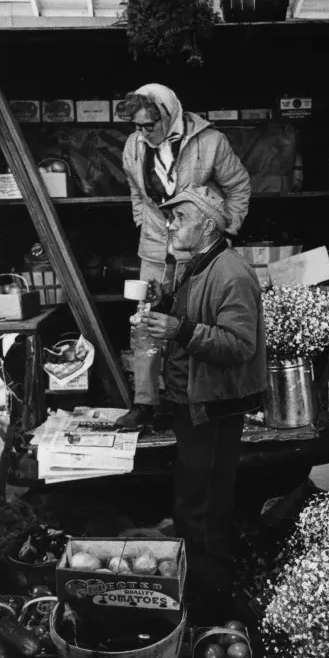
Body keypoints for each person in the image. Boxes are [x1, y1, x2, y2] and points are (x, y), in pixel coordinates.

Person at [141, 183, 266, 625]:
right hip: (192, 405)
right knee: (194, 505)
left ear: (208, 225)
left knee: (204, 512)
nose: (171, 224)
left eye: (180, 217)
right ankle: (206, 596)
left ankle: (215, 610)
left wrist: (179, 329)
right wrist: (166, 303)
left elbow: (239, 345)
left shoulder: (230, 272)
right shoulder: (196, 266)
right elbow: (193, 313)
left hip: (212, 410)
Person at [115, 84, 251, 430]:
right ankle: (144, 404)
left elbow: (238, 187)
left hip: (195, 245)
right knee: (146, 318)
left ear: (169, 114)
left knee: (192, 319)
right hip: (155, 245)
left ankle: (196, 399)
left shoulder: (211, 142)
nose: (143, 133)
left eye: (150, 125)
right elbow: (136, 190)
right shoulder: (134, 145)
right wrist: (142, 221)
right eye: (137, 126)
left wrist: (225, 230)